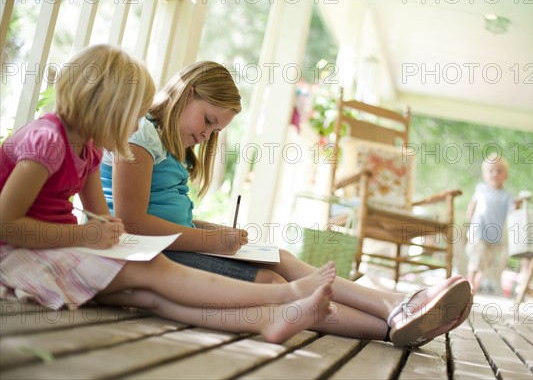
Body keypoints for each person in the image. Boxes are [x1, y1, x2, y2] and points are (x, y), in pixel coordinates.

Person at [100, 60, 473, 348]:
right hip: (151, 256)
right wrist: (211, 242)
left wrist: (215, 232)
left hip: (172, 246)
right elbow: (132, 223)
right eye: (208, 120)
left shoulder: (171, 146)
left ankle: (396, 307)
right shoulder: (139, 135)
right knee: (270, 280)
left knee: (277, 256)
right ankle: (393, 321)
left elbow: (169, 217)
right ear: (186, 90)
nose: (206, 134)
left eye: (215, 130)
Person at [0, 44, 336, 345]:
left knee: (148, 295)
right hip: (18, 256)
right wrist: (86, 234)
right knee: (152, 271)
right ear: (104, 106)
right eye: (133, 115)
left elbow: (102, 217)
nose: (136, 127)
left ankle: (268, 320)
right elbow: (5, 226)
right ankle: (286, 295)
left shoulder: (88, 149)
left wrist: (109, 229)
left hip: (55, 248)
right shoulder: (47, 141)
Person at [465, 153, 515, 294]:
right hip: (478, 232)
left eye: (499, 171)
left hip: (494, 238)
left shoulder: (507, 196)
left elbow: (512, 212)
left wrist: (517, 205)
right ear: (485, 175)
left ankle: (473, 286)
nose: (495, 174)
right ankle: (469, 286)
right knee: (477, 259)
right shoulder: (481, 189)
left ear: (505, 175)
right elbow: (472, 204)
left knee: (485, 265)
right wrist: (469, 218)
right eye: (491, 171)